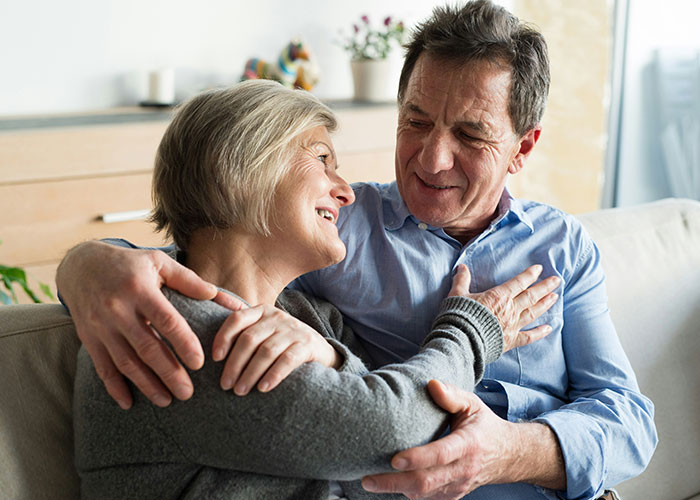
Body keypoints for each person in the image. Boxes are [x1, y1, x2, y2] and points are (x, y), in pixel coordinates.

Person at [58, 1, 657, 499]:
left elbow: (630, 423)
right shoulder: (338, 232)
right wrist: (86, 263)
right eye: (415, 122)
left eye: (471, 136)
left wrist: (511, 453)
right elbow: (203, 239)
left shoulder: (563, 246)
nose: (430, 159)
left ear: (522, 148)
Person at [72, 79, 559, 500]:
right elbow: (397, 435)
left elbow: (391, 468)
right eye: (322, 159)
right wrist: (472, 330)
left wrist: (330, 357)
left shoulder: (309, 316)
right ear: (245, 165)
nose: (346, 191)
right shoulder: (166, 330)